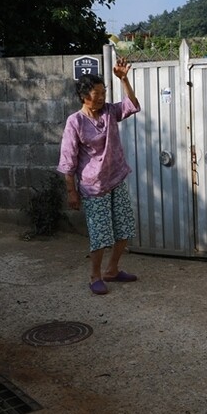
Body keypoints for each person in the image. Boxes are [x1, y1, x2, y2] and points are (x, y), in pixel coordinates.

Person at [57, 57, 141, 295]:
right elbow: (68, 159)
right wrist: (71, 191)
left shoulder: (109, 112)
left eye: (104, 92)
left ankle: (112, 270)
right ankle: (95, 275)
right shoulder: (75, 122)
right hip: (93, 187)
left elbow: (132, 105)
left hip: (116, 179)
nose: (102, 97)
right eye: (97, 93)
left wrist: (124, 79)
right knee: (101, 235)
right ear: (85, 96)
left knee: (124, 230)